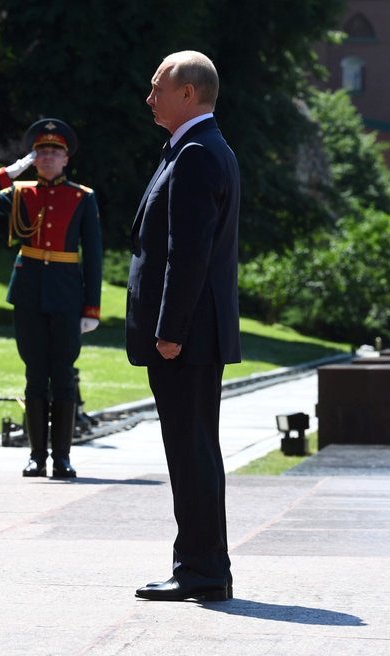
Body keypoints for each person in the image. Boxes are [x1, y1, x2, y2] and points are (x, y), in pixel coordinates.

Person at [125, 51, 241, 601]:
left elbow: (186, 254)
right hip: (193, 335)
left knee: (191, 452)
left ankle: (200, 571)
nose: (150, 98)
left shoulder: (196, 153)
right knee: (194, 450)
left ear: (188, 94)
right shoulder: (197, 148)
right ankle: (204, 566)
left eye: (157, 88)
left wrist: (169, 329)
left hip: (186, 338)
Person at [0, 118, 103, 479]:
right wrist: (9, 172)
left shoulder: (82, 198)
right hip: (28, 295)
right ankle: (37, 457)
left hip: (67, 296)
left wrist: (91, 306)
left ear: (66, 158)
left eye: (54, 152)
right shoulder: (20, 193)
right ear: (33, 157)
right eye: (41, 152)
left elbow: (95, 254)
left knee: (64, 376)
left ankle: (63, 458)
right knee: (34, 375)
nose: (47, 157)